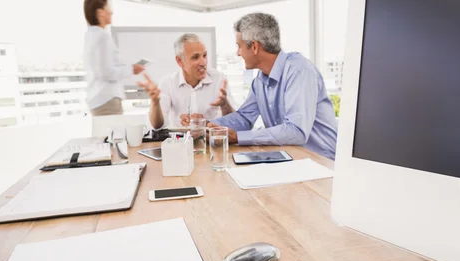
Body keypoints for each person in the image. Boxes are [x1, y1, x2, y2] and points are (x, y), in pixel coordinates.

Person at [209, 13, 338, 160]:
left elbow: (296, 132)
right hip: (291, 159)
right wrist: (208, 126)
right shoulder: (260, 80)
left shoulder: (299, 70)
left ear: (255, 46)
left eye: (239, 46)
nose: (238, 53)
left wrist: (239, 137)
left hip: (323, 163)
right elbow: (244, 118)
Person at [138, 33, 235, 129]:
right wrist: (155, 103)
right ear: (179, 61)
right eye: (195, 57)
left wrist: (223, 105)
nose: (203, 62)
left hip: (212, 142)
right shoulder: (168, 83)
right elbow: (157, 125)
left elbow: (234, 121)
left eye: (204, 55)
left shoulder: (219, 79)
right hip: (180, 142)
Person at [83, 0, 144, 116]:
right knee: (115, 133)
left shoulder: (90, 35)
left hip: (98, 99)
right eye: (108, 8)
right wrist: (131, 69)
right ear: (100, 12)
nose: (111, 12)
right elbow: (105, 72)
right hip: (107, 99)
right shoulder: (102, 36)